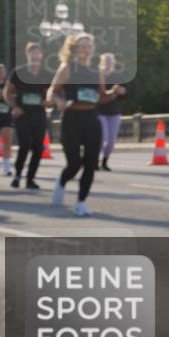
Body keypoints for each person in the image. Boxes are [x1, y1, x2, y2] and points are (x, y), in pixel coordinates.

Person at [47, 34, 124, 216]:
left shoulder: (96, 72)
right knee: (73, 164)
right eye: (82, 46)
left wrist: (114, 92)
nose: (86, 50)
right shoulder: (67, 69)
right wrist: (59, 102)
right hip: (72, 118)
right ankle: (62, 181)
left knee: (91, 163)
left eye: (89, 46)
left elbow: (102, 96)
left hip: (91, 118)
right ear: (74, 49)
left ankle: (81, 202)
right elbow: (52, 91)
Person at [5, 43, 53, 189]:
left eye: (37, 53)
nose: (35, 56)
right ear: (27, 55)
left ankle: (30, 178)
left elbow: (52, 92)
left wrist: (49, 101)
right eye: (32, 53)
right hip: (22, 115)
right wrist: (14, 106)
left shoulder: (46, 73)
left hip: (39, 115)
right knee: (24, 146)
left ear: (42, 56)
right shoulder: (18, 72)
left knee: (38, 148)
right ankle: (18, 174)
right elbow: (7, 92)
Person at [96, 52, 127, 171]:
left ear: (113, 63)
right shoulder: (98, 76)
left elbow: (125, 92)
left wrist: (123, 91)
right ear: (101, 63)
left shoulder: (118, 76)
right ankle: (94, 159)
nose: (108, 64)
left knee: (112, 139)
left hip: (114, 111)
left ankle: (104, 161)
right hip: (100, 111)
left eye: (110, 61)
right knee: (103, 136)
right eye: (106, 61)